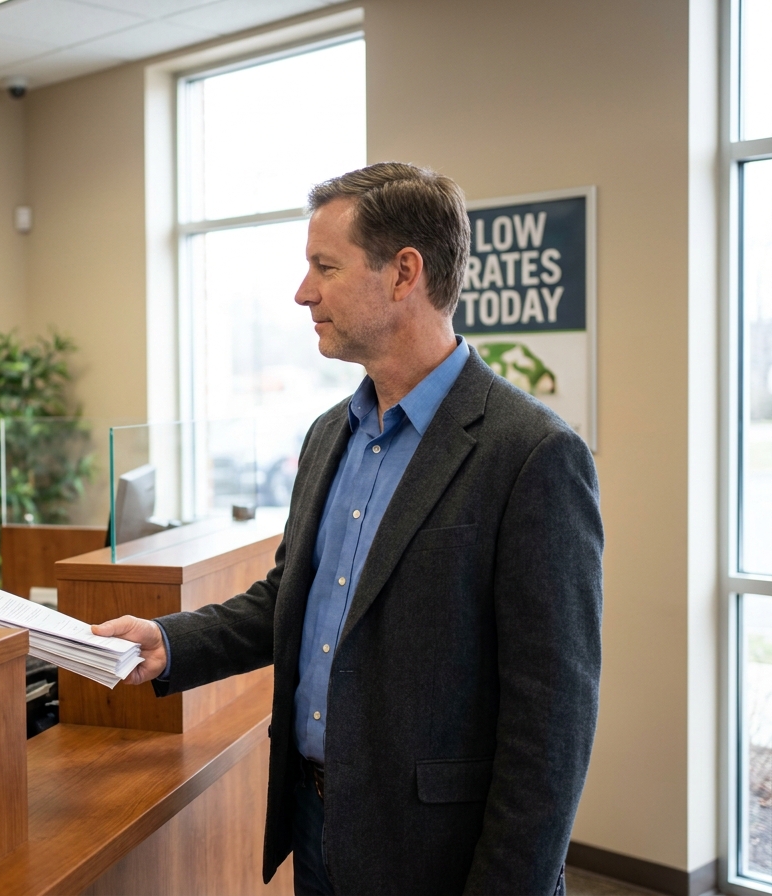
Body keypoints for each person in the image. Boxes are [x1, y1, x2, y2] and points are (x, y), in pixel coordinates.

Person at [92, 163, 603, 895]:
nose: (304, 293)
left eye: (324, 267)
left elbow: (553, 725)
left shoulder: (532, 455)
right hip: (317, 826)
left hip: (440, 855)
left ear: (404, 274)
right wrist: (168, 642)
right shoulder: (331, 433)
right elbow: (289, 600)